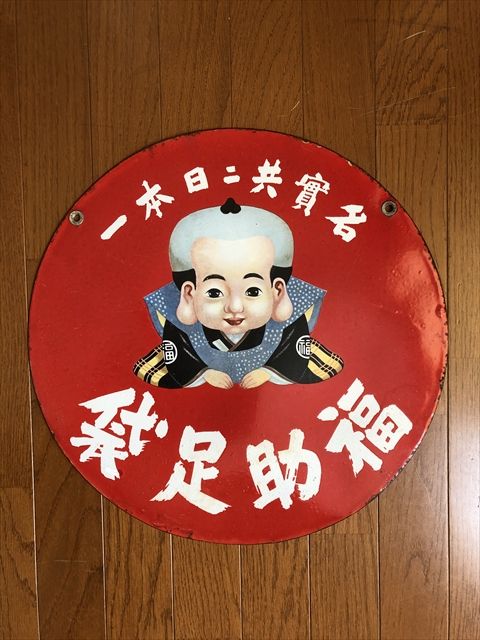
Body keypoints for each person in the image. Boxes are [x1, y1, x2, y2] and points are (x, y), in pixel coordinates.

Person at [133, 198, 343, 389]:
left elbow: (292, 357)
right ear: (189, 294)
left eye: (252, 291)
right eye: (214, 292)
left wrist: (268, 372)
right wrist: (204, 373)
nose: (234, 307)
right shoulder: (177, 325)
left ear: (277, 291)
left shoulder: (291, 322)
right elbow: (180, 360)